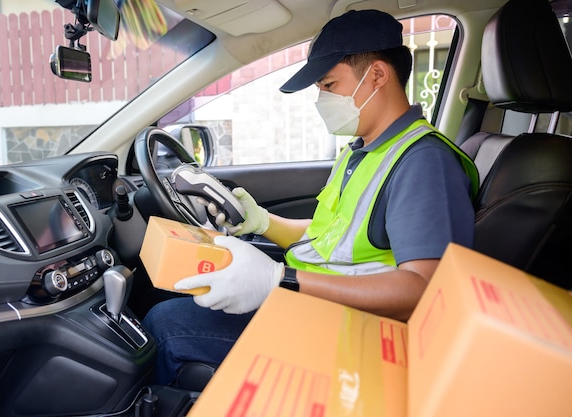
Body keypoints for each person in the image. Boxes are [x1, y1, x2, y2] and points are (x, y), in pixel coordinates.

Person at [142, 9, 479, 386]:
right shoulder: (362, 150)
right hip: (323, 306)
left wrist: (279, 280)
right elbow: (331, 236)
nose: (321, 99)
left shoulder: (424, 162)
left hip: (357, 334)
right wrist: (264, 223)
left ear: (378, 75)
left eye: (329, 85)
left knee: (167, 325)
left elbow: (425, 291)